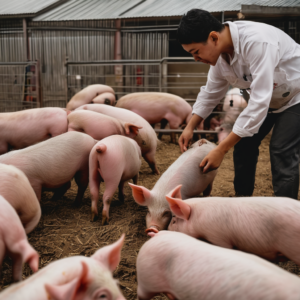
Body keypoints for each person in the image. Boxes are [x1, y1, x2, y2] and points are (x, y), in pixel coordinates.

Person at [178, 9, 300, 199]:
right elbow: (211, 92)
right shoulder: (219, 57)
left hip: (296, 97)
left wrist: (221, 149)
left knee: (281, 148)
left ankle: (287, 211)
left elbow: (259, 100)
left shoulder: (257, 42)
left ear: (213, 38)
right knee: (244, 144)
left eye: (196, 52)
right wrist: (190, 126)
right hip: (269, 100)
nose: (196, 58)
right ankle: (242, 200)